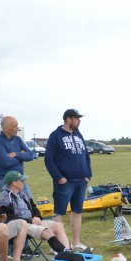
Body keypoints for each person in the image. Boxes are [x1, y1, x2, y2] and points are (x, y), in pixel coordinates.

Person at [44, 108, 93, 253]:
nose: (79, 121)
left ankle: (75, 243)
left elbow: (86, 156)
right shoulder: (56, 135)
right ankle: (58, 246)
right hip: (64, 182)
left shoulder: (79, 135)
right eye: (76, 118)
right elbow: (49, 159)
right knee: (59, 212)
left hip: (80, 181)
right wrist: (58, 177)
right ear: (68, 119)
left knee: (77, 211)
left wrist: (88, 174)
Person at [0, 170, 72, 255]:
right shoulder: (3, 198)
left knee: (58, 225)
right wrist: (30, 221)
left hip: (32, 222)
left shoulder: (23, 194)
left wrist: (37, 217)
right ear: (14, 183)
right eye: (22, 181)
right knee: (47, 232)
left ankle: (67, 252)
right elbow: (9, 218)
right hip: (20, 227)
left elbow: (34, 208)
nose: (24, 183)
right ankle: (65, 255)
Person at [0, 116, 36, 193]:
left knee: (29, 203)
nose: (18, 128)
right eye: (14, 126)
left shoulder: (18, 139)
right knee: (13, 204)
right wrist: (22, 156)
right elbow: (6, 162)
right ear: (6, 128)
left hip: (20, 179)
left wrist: (16, 154)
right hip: (6, 181)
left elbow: (31, 155)